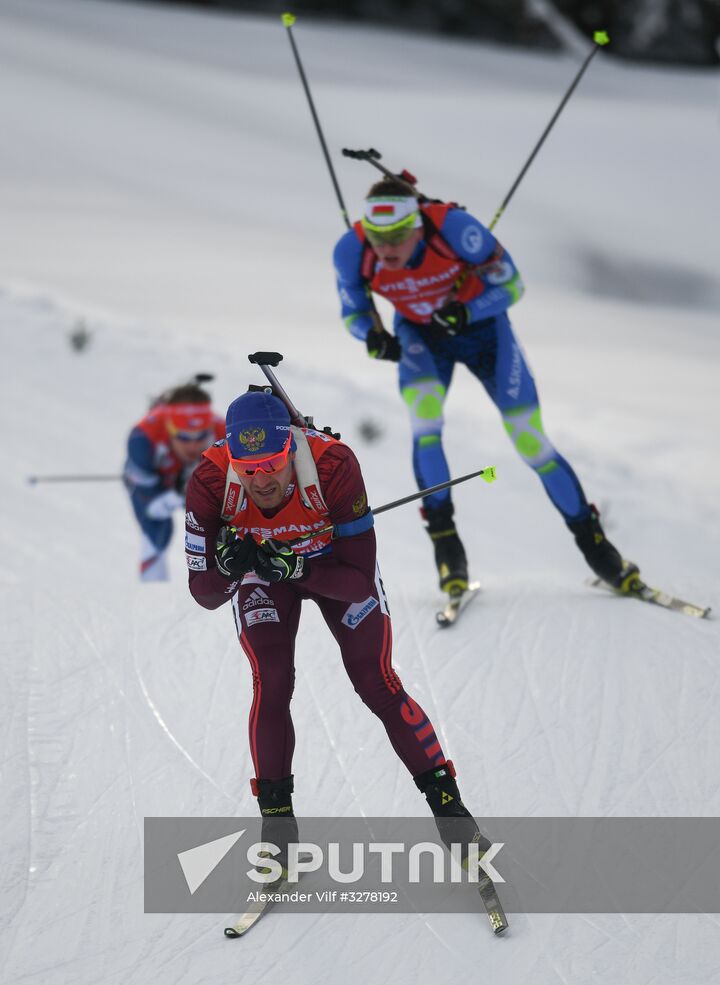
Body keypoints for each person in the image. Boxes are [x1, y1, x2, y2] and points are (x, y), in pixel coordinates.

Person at [185, 388, 490, 863]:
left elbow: (357, 583)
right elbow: (203, 593)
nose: (261, 479)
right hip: (264, 575)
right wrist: (227, 567)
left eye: (273, 463)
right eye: (248, 468)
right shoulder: (208, 480)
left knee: (376, 681)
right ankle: (278, 831)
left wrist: (298, 567)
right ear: (230, 458)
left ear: (293, 445)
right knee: (272, 681)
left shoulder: (333, 465)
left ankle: (453, 815)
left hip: (330, 568)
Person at [332, 176, 639, 598]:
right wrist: (372, 336)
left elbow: (513, 285)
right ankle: (447, 548)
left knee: (530, 441)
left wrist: (467, 310)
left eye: (398, 235)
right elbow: (353, 311)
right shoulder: (352, 249)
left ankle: (597, 548)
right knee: (425, 426)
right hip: (422, 338)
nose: (387, 248)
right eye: (379, 237)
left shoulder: (457, 229)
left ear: (418, 225)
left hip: (485, 336)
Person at [123, 382, 225, 582]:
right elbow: (151, 506)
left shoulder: (224, 431)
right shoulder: (142, 440)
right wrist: (177, 497)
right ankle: (152, 589)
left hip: (190, 475)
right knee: (157, 528)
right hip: (155, 480)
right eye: (184, 437)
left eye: (201, 435)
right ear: (169, 430)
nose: (193, 445)